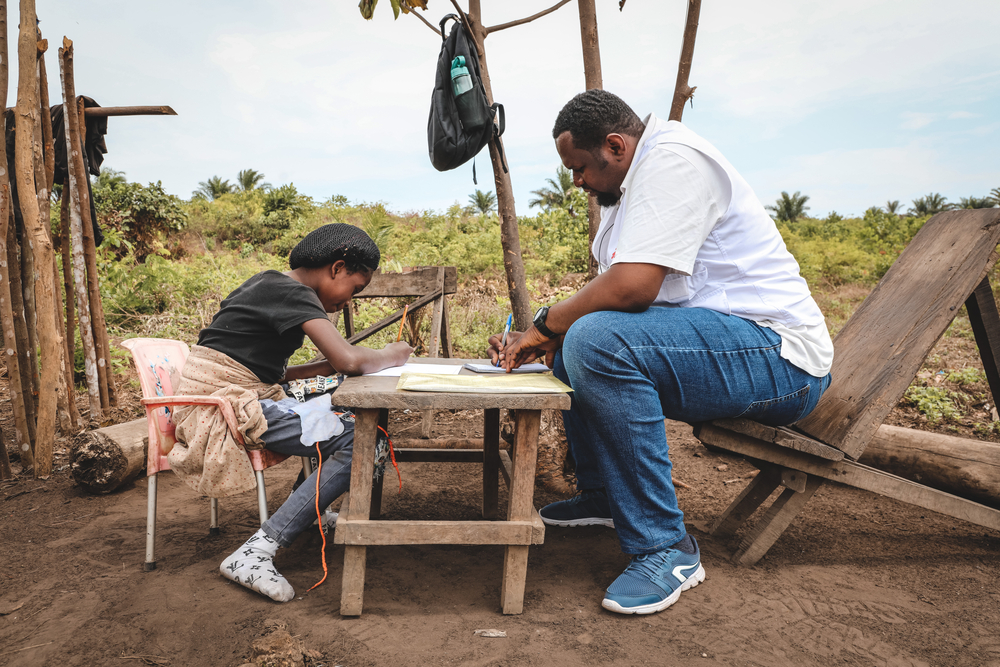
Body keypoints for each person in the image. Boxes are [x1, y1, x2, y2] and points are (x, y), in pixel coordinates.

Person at [492, 90, 834, 615]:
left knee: (594, 339)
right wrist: (548, 337)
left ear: (615, 145)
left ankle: (667, 548)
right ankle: (604, 496)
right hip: (727, 345)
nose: (577, 181)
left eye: (580, 168)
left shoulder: (673, 160)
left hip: (779, 358)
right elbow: (618, 294)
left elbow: (632, 289)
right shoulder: (634, 182)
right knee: (575, 342)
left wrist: (542, 325)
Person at [168, 223, 412, 602]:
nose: (349, 300)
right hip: (219, 406)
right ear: (337, 267)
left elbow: (268, 370)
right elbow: (347, 358)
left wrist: (325, 369)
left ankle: (307, 513)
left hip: (225, 395)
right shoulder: (294, 292)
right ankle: (257, 551)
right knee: (364, 440)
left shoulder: (267, 283)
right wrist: (390, 355)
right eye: (355, 288)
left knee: (344, 420)